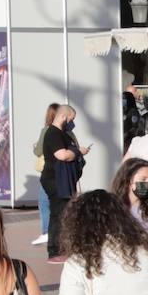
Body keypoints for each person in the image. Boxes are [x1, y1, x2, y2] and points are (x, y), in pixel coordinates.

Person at [41, 103, 89, 262]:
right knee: (58, 214)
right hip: (54, 179)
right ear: (63, 116)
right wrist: (77, 152)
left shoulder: (63, 134)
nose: (72, 123)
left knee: (64, 214)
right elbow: (62, 155)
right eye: (71, 119)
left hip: (63, 179)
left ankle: (63, 247)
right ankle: (54, 251)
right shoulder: (53, 134)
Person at [32, 103, 60, 245]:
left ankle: (46, 232)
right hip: (63, 171)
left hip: (48, 171)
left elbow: (39, 151)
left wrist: (34, 147)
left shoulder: (46, 130)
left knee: (44, 202)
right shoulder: (67, 131)